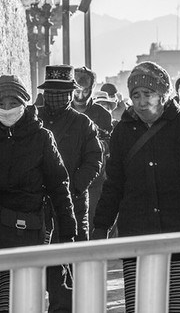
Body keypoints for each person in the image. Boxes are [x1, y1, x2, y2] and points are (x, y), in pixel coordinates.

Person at [93, 61, 180, 313]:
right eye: (136, 95)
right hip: (137, 235)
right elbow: (114, 185)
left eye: (148, 94)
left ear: (163, 94)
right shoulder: (122, 132)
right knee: (142, 306)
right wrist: (101, 226)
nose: (142, 102)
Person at [0, 75, 76, 313]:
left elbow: (59, 185)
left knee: (23, 298)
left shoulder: (42, 138)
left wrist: (68, 229)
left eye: (13, 103)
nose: (7, 109)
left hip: (29, 229)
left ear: (25, 103)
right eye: (1, 103)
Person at [37, 64, 102, 313]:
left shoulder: (82, 123)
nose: (55, 96)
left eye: (61, 92)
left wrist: (73, 187)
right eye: (51, 91)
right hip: (36, 206)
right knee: (37, 269)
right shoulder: (33, 118)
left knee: (70, 272)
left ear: (69, 93)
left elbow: (94, 160)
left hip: (73, 206)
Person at [72, 66, 113, 234]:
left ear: (92, 89)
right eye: (77, 91)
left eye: (85, 91)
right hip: (68, 174)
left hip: (94, 178)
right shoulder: (64, 110)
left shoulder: (102, 115)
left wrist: (94, 145)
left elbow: (108, 144)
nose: (80, 96)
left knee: (91, 222)